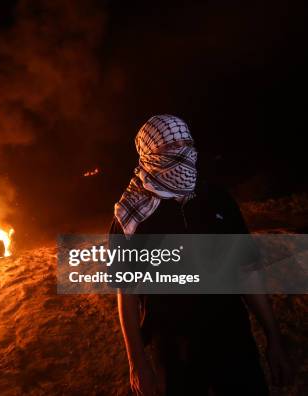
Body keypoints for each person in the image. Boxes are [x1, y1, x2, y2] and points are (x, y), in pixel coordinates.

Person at [110, 115, 293, 396]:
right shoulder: (131, 217)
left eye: (186, 143)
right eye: (170, 147)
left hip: (232, 339)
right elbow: (127, 292)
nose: (182, 153)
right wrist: (138, 362)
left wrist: (274, 338)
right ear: (148, 156)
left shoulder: (216, 200)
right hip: (173, 350)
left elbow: (248, 272)